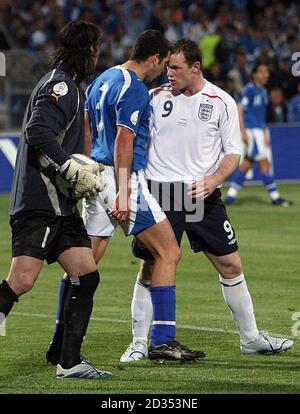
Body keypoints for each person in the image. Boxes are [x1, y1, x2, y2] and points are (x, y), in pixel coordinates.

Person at [118, 39, 293, 362]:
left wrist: (213, 180)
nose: (168, 73)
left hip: (203, 195)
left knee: (230, 264)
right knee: (150, 265)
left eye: (175, 68)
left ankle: (251, 338)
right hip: (161, 192)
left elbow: (233, 153)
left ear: (195, 68)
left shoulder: (221, 101)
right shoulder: (154, 98)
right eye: (167, 66)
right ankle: (140, 342)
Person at [46, 30, 206, 364]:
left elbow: (88, 129)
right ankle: (162, 340)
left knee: (82, 263)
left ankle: (60, 339)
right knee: (168, 252)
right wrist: (122, 192)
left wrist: (89, 176)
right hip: (123, 179)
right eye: (163, 64)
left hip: (96, 177)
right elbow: (124, 139)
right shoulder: (134, 87)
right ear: (154, 58)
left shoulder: (101, 79)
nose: (163, 72)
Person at [0, 21, 112, 380]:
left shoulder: (67, 84)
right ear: (87, 50)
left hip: (59, 206)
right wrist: (68, 166)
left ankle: (69, 362)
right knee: (21, 280)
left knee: (85, 274)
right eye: (95, 48)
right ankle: (67, 360)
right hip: (40, 202)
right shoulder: (61, 86)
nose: (97, 55)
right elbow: (37, 131)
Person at [224, 63, 292, 206]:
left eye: (266, 71)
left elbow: (261, 115)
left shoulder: (264, 91)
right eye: (261, 72)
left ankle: (230, 196)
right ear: (254, 74)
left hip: (260, 131)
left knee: (247, 164)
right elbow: (240, 109)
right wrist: (243, 131)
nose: (265, 74)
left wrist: (265, 132)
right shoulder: (250, 89)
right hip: (252, 132)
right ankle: (275, 197)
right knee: (264, 163)